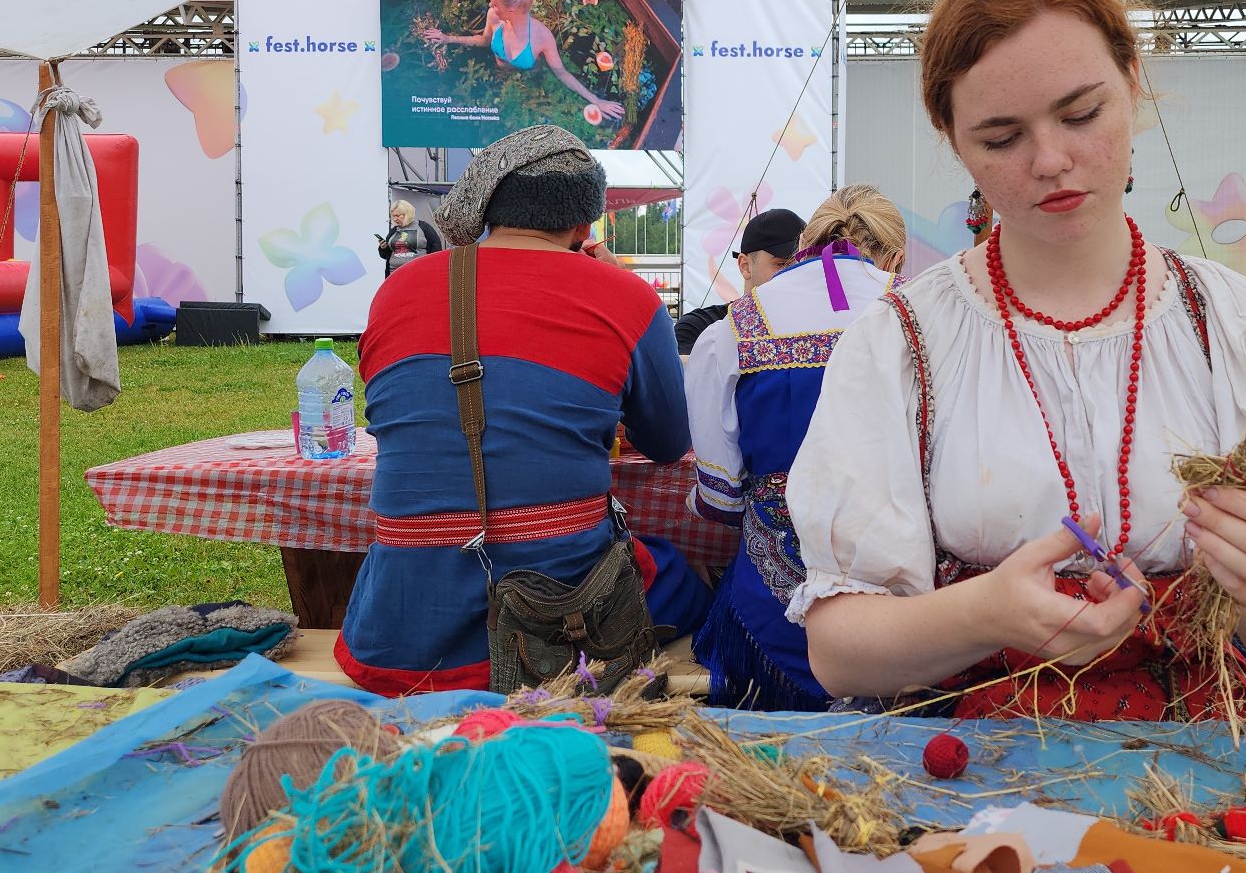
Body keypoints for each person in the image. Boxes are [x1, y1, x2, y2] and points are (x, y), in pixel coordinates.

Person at [784, 0, 1246, 722]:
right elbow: (838, 656)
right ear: (954, 140)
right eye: (1000, 137)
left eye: (1080, 115)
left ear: (1133, 82)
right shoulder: (902, 343)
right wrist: (983, 615)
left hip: (1198, 763)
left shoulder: (1245, 332)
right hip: (967, 767)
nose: (1052, 160)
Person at [337, 125, 710, 696]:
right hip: (558, 626)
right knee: (685, 580)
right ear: (585, 226)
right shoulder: (626, 296)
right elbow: (667, 442)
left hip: (399, 632)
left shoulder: (397, 290)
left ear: (490, 212)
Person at [685, 185, 906, 710]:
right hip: (903, 592)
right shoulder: (921, 311)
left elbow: (720, 498)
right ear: (896, 256)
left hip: (773, 599)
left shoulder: (735, 327)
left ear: (808, 242)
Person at [421, 0, 626, 122]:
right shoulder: (494, 17)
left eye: (494, 3)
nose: (490, 6)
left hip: (528, 77)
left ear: (510, 9)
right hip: (499, 70)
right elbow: (484, 41)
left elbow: (562, 73)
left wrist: (596, 100)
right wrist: (447, 38)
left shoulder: (542, 37)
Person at [674, 208, 807, 355]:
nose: (795, 272)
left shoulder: (814, 326)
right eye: (781, 264)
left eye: (804, 263)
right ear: (745, 266)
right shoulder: (697, 328)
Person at [377, 199, 443, 277]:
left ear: (407, 213)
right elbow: (385, 255)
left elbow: (436, 247)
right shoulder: (394, 230)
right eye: (393, 216)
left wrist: (430, 268)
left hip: (419, 274)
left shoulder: (423, 227)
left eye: (397, 215)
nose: (395, 219)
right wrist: (383, 248)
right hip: (394, 275)